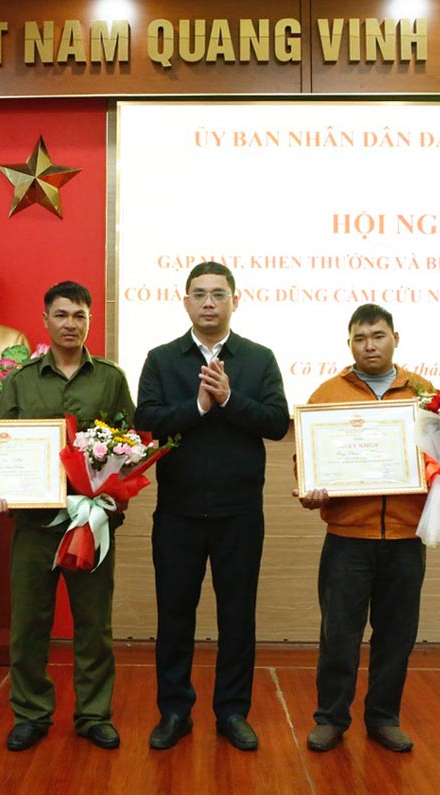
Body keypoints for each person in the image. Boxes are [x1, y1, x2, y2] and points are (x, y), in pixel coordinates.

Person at [297, 303, 440, 755]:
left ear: (396, 337)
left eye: (377, 336)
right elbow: (306, 461)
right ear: (349, 343)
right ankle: (330, 719)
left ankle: (383, 718)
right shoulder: (328, 394)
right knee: (339, 636)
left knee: (396, 635)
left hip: (405, 537)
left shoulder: (425, 393)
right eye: (359, 338)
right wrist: (310, 487)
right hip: (347, 539)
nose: (369, 345)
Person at [135, 262, 289, 751]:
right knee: (174, 616)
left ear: (234, 301)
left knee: (237, 618)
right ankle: (175, 711)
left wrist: (229, 398)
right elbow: (147, 422)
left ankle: (232, 712)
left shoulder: (258, 358)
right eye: (198, 294)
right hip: (177, 512)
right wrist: (198, 409)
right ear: (185, 301)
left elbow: (275, 423)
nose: (208, 302)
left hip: (239, 514)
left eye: (218, 294)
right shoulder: (162, 359)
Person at [0, 281, 135, 753]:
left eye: (80, 316)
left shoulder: (110, 378)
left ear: (90, 321)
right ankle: (31, 713)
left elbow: (127, 446)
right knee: (29, 623)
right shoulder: (21, 380)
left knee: (94, 624)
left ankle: (93, 715)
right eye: (62, 315)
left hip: (89, 523)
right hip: (34, 524)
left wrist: (112, 484)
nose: (71, 324)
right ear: (45, 320)